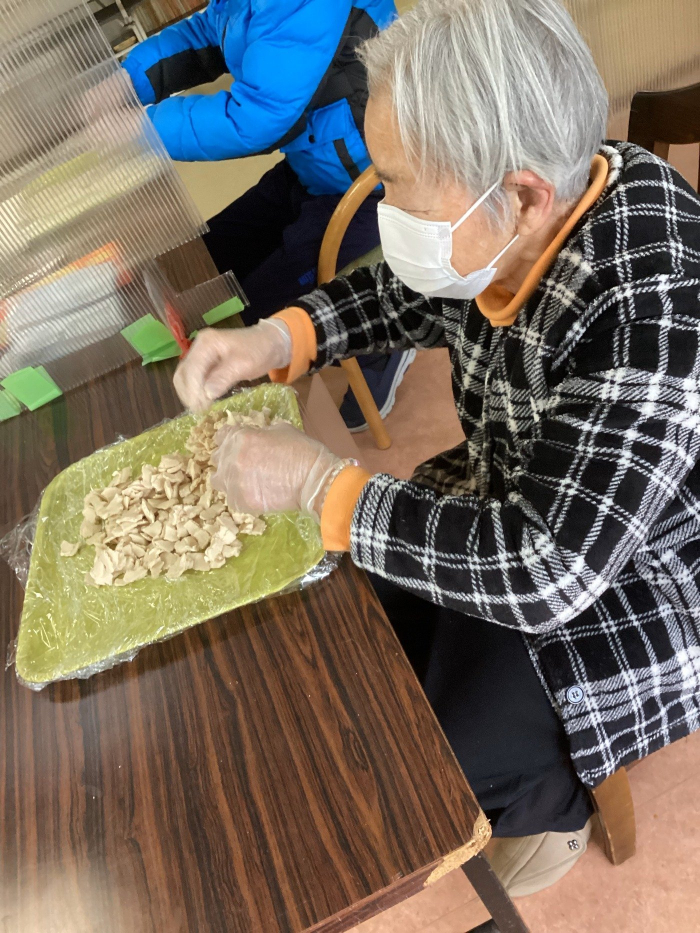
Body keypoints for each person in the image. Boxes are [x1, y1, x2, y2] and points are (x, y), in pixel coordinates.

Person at [173, 0, 700, 897]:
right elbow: (420, 289)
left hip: (635, 574)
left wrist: (326, 486)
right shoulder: (531, 207)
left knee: (423, 768)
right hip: (518, 495)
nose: (385, 208)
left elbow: (549, 570)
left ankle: (549, 807)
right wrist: (285, 336)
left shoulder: (652, 308)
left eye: (397, 183)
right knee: (348, 625)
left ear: (522, 197)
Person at [121, 0, 415, 431]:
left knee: (254, 314)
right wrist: (124, 82)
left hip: (371, 188)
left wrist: (141, 130)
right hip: (314, 163)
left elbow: (259, 118)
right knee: (206, 260)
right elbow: (207, 35)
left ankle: (382, 346)